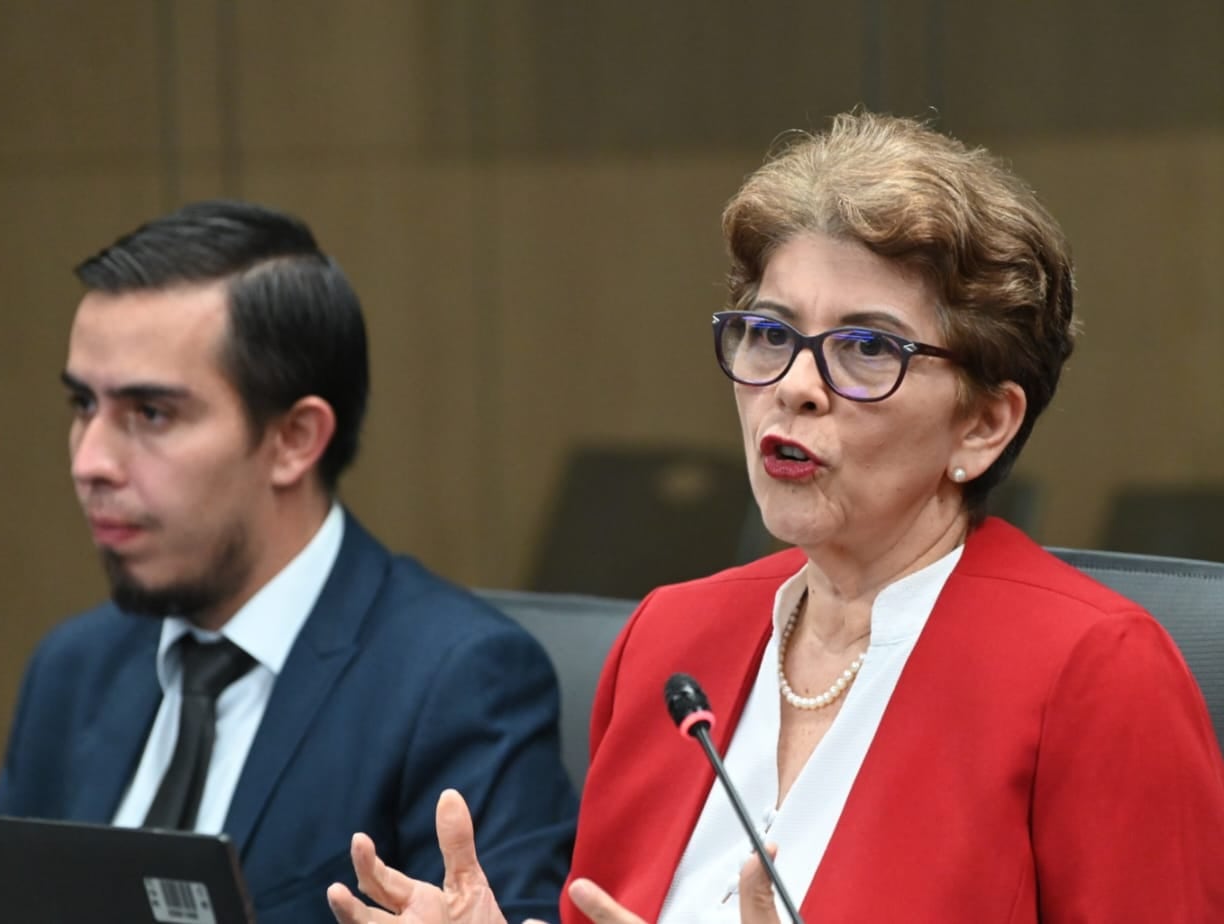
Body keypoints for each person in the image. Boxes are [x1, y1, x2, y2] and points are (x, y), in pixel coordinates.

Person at [327, 112, 1224, 924]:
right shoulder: (671, 640)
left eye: (865, 347)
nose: (794, 386)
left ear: (983, 424)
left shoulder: (1094, 673)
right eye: (770, 333)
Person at [0, 200, 578, 924]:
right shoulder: (72, 668)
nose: (90, 461)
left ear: (295, 439)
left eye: (150, 414)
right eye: (84, 404)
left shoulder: (455, 682)